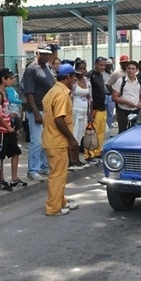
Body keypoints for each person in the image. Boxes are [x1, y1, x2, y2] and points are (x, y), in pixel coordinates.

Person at [42, 63, 81, 216]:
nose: (75, 80)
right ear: (68, 77)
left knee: (59, 173)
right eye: (74, 77)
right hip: (57, 141)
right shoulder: (62, 94)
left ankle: (60, 201)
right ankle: (53, 208)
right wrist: (72, 139)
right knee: (57, 175)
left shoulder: (53, 91)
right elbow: (59, 119)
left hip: (51, 139)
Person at [23, 43, 55, 180]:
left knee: (45, 141)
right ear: (37, 54)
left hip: (47, 110)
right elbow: (29, 93)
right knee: (36, 141)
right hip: (36, 110)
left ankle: (44, 167)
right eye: (43, 54)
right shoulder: (31, 70)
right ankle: (32, 170)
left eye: (47, 54)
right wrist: (36, 113)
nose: (45, 56)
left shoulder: (48, 68)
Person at [0, 68, 29, 189]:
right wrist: (8, 126)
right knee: (1, 155)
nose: (13, 80)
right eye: (10, 78)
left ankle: (14, 179)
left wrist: (11, 115)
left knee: (15, 152)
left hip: (9, 127)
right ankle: (1, 179)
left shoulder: (5, 93)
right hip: (3, 130)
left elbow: (3, 111)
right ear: (3, 79)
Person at [111, 60, 141, 133]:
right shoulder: (120, 81)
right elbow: (114, 97)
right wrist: (126, 102)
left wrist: (140, 103)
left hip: (136, 111)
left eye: (133, 69)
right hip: (123, 111)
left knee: (136, 132)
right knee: (122, 132)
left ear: (136, 70)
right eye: (129, 68)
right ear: (126, 69)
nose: (131, 71)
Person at [70, 59, 92, 170]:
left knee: (80, 136)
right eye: (80, 68)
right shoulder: (73, 81)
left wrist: (90, 113)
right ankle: (71, 160)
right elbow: (70, 97)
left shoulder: (87, 81)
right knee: (73, 135)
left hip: (84, 112)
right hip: (74, 111)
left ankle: (77, 159)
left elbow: (90, 98)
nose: (82, 71)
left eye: (84, 68)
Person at [86, 56, 108, 164]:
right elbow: (89, 93)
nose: (102, 67)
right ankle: (89, 154)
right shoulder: (91, 75)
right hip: (94, 109)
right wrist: (90, 111)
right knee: (91, 133)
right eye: (100, 65)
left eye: (104, 65)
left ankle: (97, 152)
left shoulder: (100, 76)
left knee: (100, 132)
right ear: (95, 64)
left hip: (102, 108)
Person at [103, 58, 115, 131]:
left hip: (111, 96)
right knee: (102, 114)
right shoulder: (102, 74)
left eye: (110, 65)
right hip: (103, 95)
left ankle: (108, 130)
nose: (109, 67)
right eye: (107, 65)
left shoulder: (113, 74)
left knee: (110, 114)